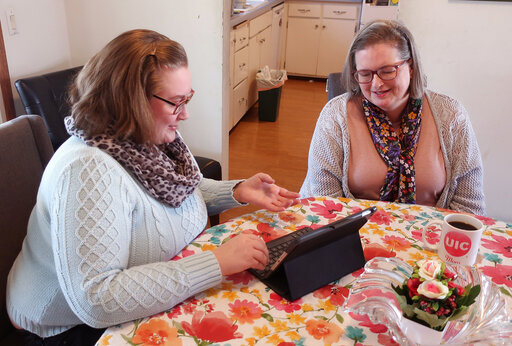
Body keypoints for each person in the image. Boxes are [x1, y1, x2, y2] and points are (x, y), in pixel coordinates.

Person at [6, 29, 300, 344]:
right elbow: (96, 299)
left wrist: (236, 191)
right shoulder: (88, 169)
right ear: (129, 100)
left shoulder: (147, 135)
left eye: (187, 98)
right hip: (62, 325)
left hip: (126, 297)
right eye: (176, 102)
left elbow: (176, 195)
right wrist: (216, 262)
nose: (184, 114)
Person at [300, 20, 485, 215]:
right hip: (353, 236)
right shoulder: (335, 117)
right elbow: (325, 204)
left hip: (431, 238)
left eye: (387, 71)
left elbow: (469, 208)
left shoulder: (451, 116)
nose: (376, 84)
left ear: (411, 67)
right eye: (365, 74)